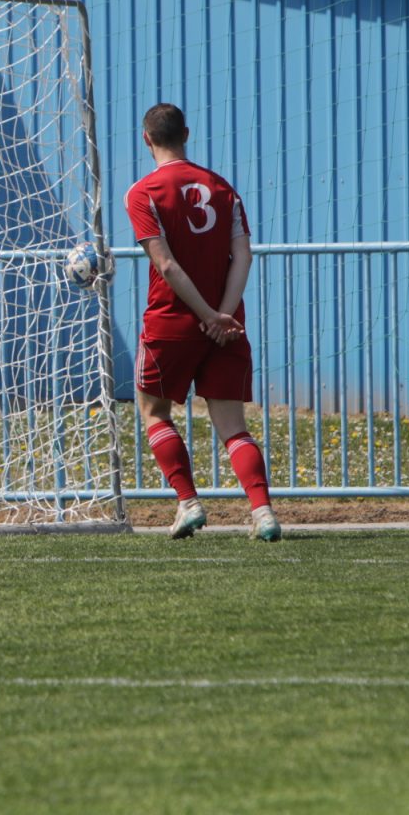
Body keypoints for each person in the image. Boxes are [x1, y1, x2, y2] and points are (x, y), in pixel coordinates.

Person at [124, 103, 281, 541]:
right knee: (233, 427)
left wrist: (206, 315)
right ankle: (263, 512)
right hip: (226, 326)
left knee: (154, 412)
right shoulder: (222, 188)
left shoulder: (142, 192)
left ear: (146, 138)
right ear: (187, 134)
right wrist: (222, 315)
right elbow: (243, 256)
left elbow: (167, 265)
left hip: (172, 321)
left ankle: (188, 502)